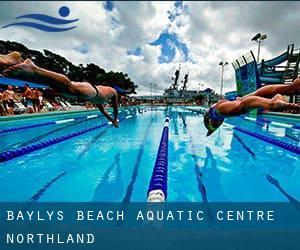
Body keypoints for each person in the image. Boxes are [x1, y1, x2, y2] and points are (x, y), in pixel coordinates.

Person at [4, 59, 132, 127]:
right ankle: (33, 67)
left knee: (56, 86)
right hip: (91, 91)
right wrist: (115, 119)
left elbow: (103, 111)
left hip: (89, 91)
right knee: (68, 86)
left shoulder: (103, 98)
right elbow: (115, 108)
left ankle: (17, 63)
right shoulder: (113, 92)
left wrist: (112, 120)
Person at [204, 78, 300, 136]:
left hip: (219, 110)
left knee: (242, 105)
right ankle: (290, 88)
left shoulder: (216, 118)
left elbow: (208, 122)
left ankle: (271, 103)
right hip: (220, 106)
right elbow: (207, 119)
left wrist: (210, 130)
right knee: (252, 96)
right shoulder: (216, 117)